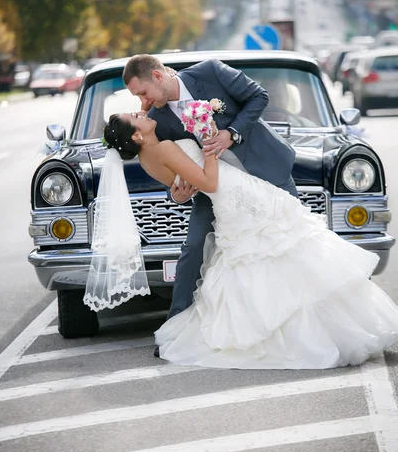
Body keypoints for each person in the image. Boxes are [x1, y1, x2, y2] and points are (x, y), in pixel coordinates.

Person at [100, 111, 398, 369]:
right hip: (233, 195)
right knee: (284, 250)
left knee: (265, 258)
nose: (141, 112)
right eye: (136, 118)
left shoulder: (146, 158)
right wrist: (208, 144)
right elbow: (209, 181)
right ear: (137, 135)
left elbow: (183, 184)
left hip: (232, 198)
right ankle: (316, 331)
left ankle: (288, 327)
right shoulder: (162, 147)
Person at [122, 55, 298, 357]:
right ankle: (175, 331)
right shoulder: (157, 122)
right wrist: (175, 196)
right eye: (138, 97)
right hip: (216, 192)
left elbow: (259, 96)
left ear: (157, 76)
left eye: (142, 92)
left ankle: (297, 316)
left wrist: (231, 133)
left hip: (267, 171)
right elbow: (170, 169)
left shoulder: (211, 71)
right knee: (192, 249)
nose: (143, 101)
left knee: (292, 240)